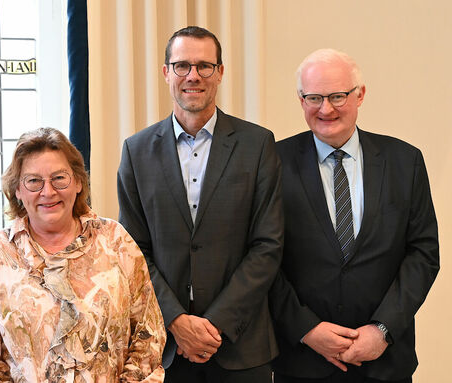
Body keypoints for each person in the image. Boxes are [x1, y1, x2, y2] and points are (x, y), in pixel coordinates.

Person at [117, 26, 283, 382]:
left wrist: (215, 324)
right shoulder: (136, 151)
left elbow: (267, 245)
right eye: (182, 66)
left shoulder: (257, 144)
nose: (193, 76)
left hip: (241, 348)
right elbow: (132, 252)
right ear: (166, 73)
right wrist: (177, 321)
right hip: (164, 350)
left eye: (205, 66)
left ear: (220, 73)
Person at [269, 48, 439, 383]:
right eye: (314, 97)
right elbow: (261, 257)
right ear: (300, 99)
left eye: (337, 96)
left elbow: (423, 254)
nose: (326, 108)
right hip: (302, 363)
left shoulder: (405, 161)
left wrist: (383, 330)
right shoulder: (272, 162)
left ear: (360, 95)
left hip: (386, 362)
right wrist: (306, 328)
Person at [0, 127, 166, 382]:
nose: (48, 192)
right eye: (34, 181)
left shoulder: (116, 241)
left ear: (78, 182)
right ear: (17, 190)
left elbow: (149, 336)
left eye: (59, 178)